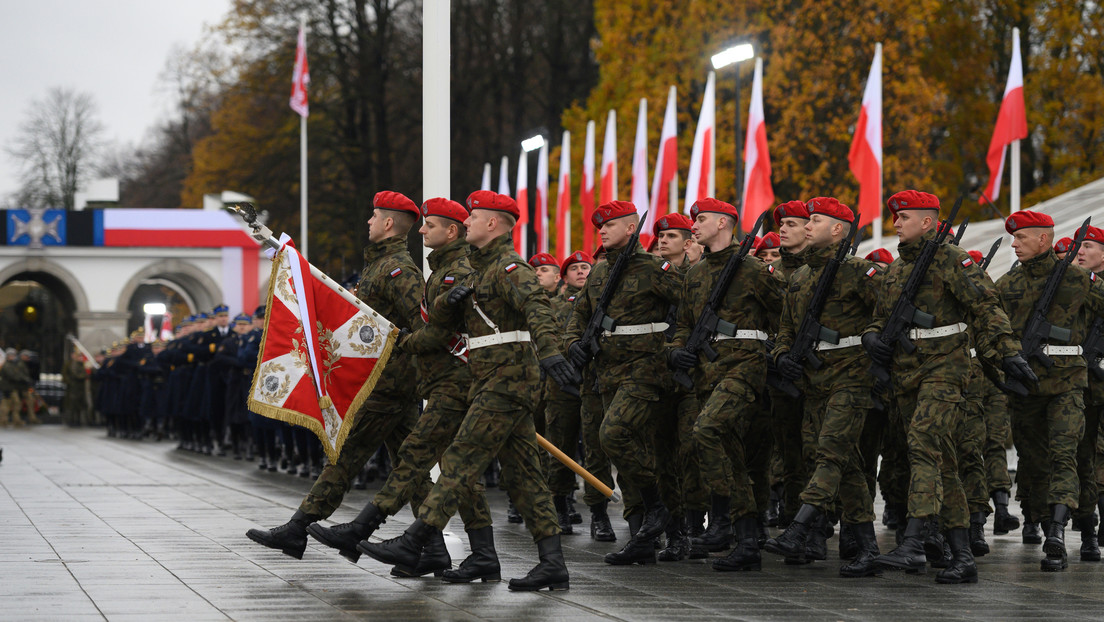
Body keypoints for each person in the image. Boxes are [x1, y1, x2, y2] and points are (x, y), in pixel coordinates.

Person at [357, 190, 580, 592]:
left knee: (459, 460)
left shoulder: (510, 267)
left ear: (492, 224)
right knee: (525, 475)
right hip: (488, 377)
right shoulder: (478, 270)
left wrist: (549, 353)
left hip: (508, 378)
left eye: (475, 217)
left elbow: (537, 306)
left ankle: (414, 541)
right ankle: (552, 563)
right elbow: (443, 324)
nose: (469, 223)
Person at [308, 197, 501, 582]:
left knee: (427, 461)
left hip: (453, 380)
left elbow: (434, 328)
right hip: (440, 380)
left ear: (451, 231)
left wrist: (402, 343)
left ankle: (370, 531)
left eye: (430, 226)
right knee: (453, 469)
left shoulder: (448, 270)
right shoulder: (439, 270)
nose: (422, 232)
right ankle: (470, 554)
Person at [246, 190, 427, 562]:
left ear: (389, 223)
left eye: (374, 216)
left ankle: (298, 529)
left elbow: (421, 326)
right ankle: (434, 548)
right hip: (388, 385)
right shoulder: (379, 266)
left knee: (345, 456)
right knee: (414, 467)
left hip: (388, 385)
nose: (369, 222)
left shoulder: (399, 270)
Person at [866, 189, 1033, 583]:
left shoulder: (953, 260)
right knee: (941, 460)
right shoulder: (897, 271)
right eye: (895, 216)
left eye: (904, 216)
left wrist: (1009, 352)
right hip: (907, 373)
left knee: (923, 444)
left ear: (928, 221)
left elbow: (986, 306)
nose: (895, 223)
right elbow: (880, 317)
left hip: (946, 367)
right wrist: (873, 336)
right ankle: (961, 555)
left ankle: (913, 541)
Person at [767, 198, 884, 577]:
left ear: (837, 229)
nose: (807, 225)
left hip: (852, 374)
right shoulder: (800, 276)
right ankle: (868, 548)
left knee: (831, 453)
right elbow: (787, 326)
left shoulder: (858, 272)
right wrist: (782, 353)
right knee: (844, 464)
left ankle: (799, 526)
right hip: (814, 379)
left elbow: (886, 314)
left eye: (815, 220)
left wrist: (871, 342)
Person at [564, 200, 683, 566]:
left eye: (611, 225)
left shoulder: (653, 268)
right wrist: (571, 344)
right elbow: (579, 314)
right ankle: (642, 535)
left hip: (647, 370)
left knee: (617, 436)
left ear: (631, 228)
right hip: (608, 373)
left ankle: (665, 517)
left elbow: (691, 304)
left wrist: (676, 345)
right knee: (633, 453)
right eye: (600, 225)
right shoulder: (599, 272)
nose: (602, 230)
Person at [668, 197, 784, 572]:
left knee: (707, 430)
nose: (695, 226)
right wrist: (676, 350)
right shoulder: (697, 273)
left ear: (723, 223)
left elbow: (785, 315)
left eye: (701, 219)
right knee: (729, 452)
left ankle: (734, 524)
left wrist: (776, 351)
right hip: (706, 371)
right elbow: (684, 323)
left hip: (743, 367)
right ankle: (746, 539)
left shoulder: (752, 269)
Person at [997, 213, 1104, 571]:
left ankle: (1058, 531)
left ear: (1043, 239)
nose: (1014, 244)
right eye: (1013, 239)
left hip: (1069, 385)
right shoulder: (1007, 283)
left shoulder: (1077, 280)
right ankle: (1046, 524)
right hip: (1026, 388)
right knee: (1036, 463)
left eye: (1022, 238)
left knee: (1066, 456)